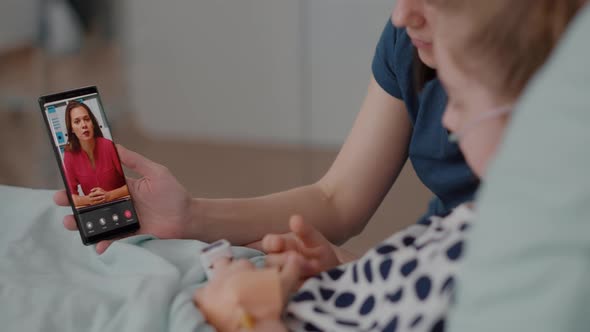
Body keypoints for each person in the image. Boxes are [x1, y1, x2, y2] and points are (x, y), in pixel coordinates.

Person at [190, 0, 585, 331]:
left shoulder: (532, 264)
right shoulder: (474, 222)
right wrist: (351, 275)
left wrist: (242, 317)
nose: (401, 15)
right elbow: (338, 200)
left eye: (459, 100)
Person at [55, 0, 478, 256]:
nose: (402, 15)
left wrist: (355, 271)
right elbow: (336, 200)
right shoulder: (408, 42)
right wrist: (190, 216)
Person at [62, 100, 129, 207]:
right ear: (72, 129)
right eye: (77, 121)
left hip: (122, 205)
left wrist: (109, 195)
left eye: (87, 119)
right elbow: (71, 197)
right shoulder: (69, 155)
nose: (84, 125)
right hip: (95, 211)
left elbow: (130, 185)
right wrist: (88, 200)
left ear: (92, 123)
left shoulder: (109, 146)